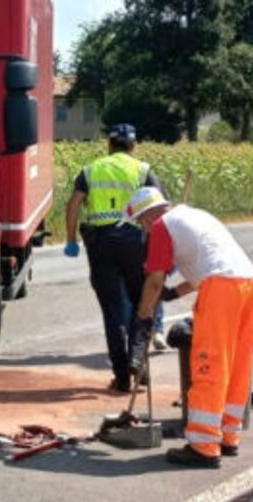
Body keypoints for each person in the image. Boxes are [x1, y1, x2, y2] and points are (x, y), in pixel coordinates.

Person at [123, 187, 253, 468]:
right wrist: (174, 294)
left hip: (221, 289)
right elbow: (207, 265)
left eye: (141, 223)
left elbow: (153, 280)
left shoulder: (162, 226)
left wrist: (143, 317)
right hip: (248, 283)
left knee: (209, 364)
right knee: (236, 364)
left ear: (148, 217)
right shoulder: (195, 216)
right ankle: (228, 436)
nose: (144, 229)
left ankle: (203, 446)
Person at [64, 124, 165, 393]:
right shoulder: (143, 170)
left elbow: (74, 203)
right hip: (135, 243)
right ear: (133, 146)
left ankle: (121, 377)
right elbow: (161, 208)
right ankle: (138, 363)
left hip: (100, 244)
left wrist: (71, 239)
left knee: (112, 312)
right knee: (142, 303)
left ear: (108, 145)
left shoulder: (91, 170)